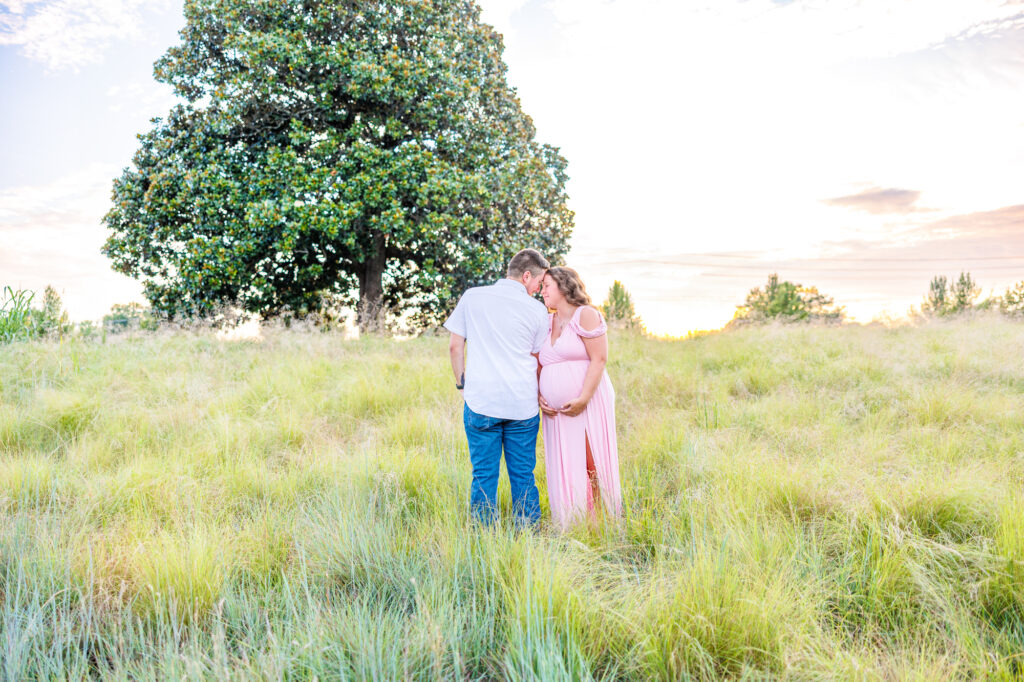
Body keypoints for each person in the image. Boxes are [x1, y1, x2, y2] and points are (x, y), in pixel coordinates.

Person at [444, 249, 551, 526]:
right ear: (526, 276)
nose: (538, 290)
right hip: (522, 405)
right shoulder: (537, 311)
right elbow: (537, 358)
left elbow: (456, 346)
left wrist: (461, 384)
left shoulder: (473, 296)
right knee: (523, 474)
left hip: (482, 402)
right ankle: (527, 537)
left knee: (483, 474)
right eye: (538, 283)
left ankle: (484, 539)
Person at [538, 266, 622, 528]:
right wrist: (540, 395)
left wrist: (584, 398)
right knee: (564, 465)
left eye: (546, 286)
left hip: (587, 403)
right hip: (556, 412)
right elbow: (539, 364)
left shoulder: (585, 315)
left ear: (563, 287)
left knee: (590, 462)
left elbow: (599, 359)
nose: (541, 292)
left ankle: (603, 523)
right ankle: (572, 522)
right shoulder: (546, 322)